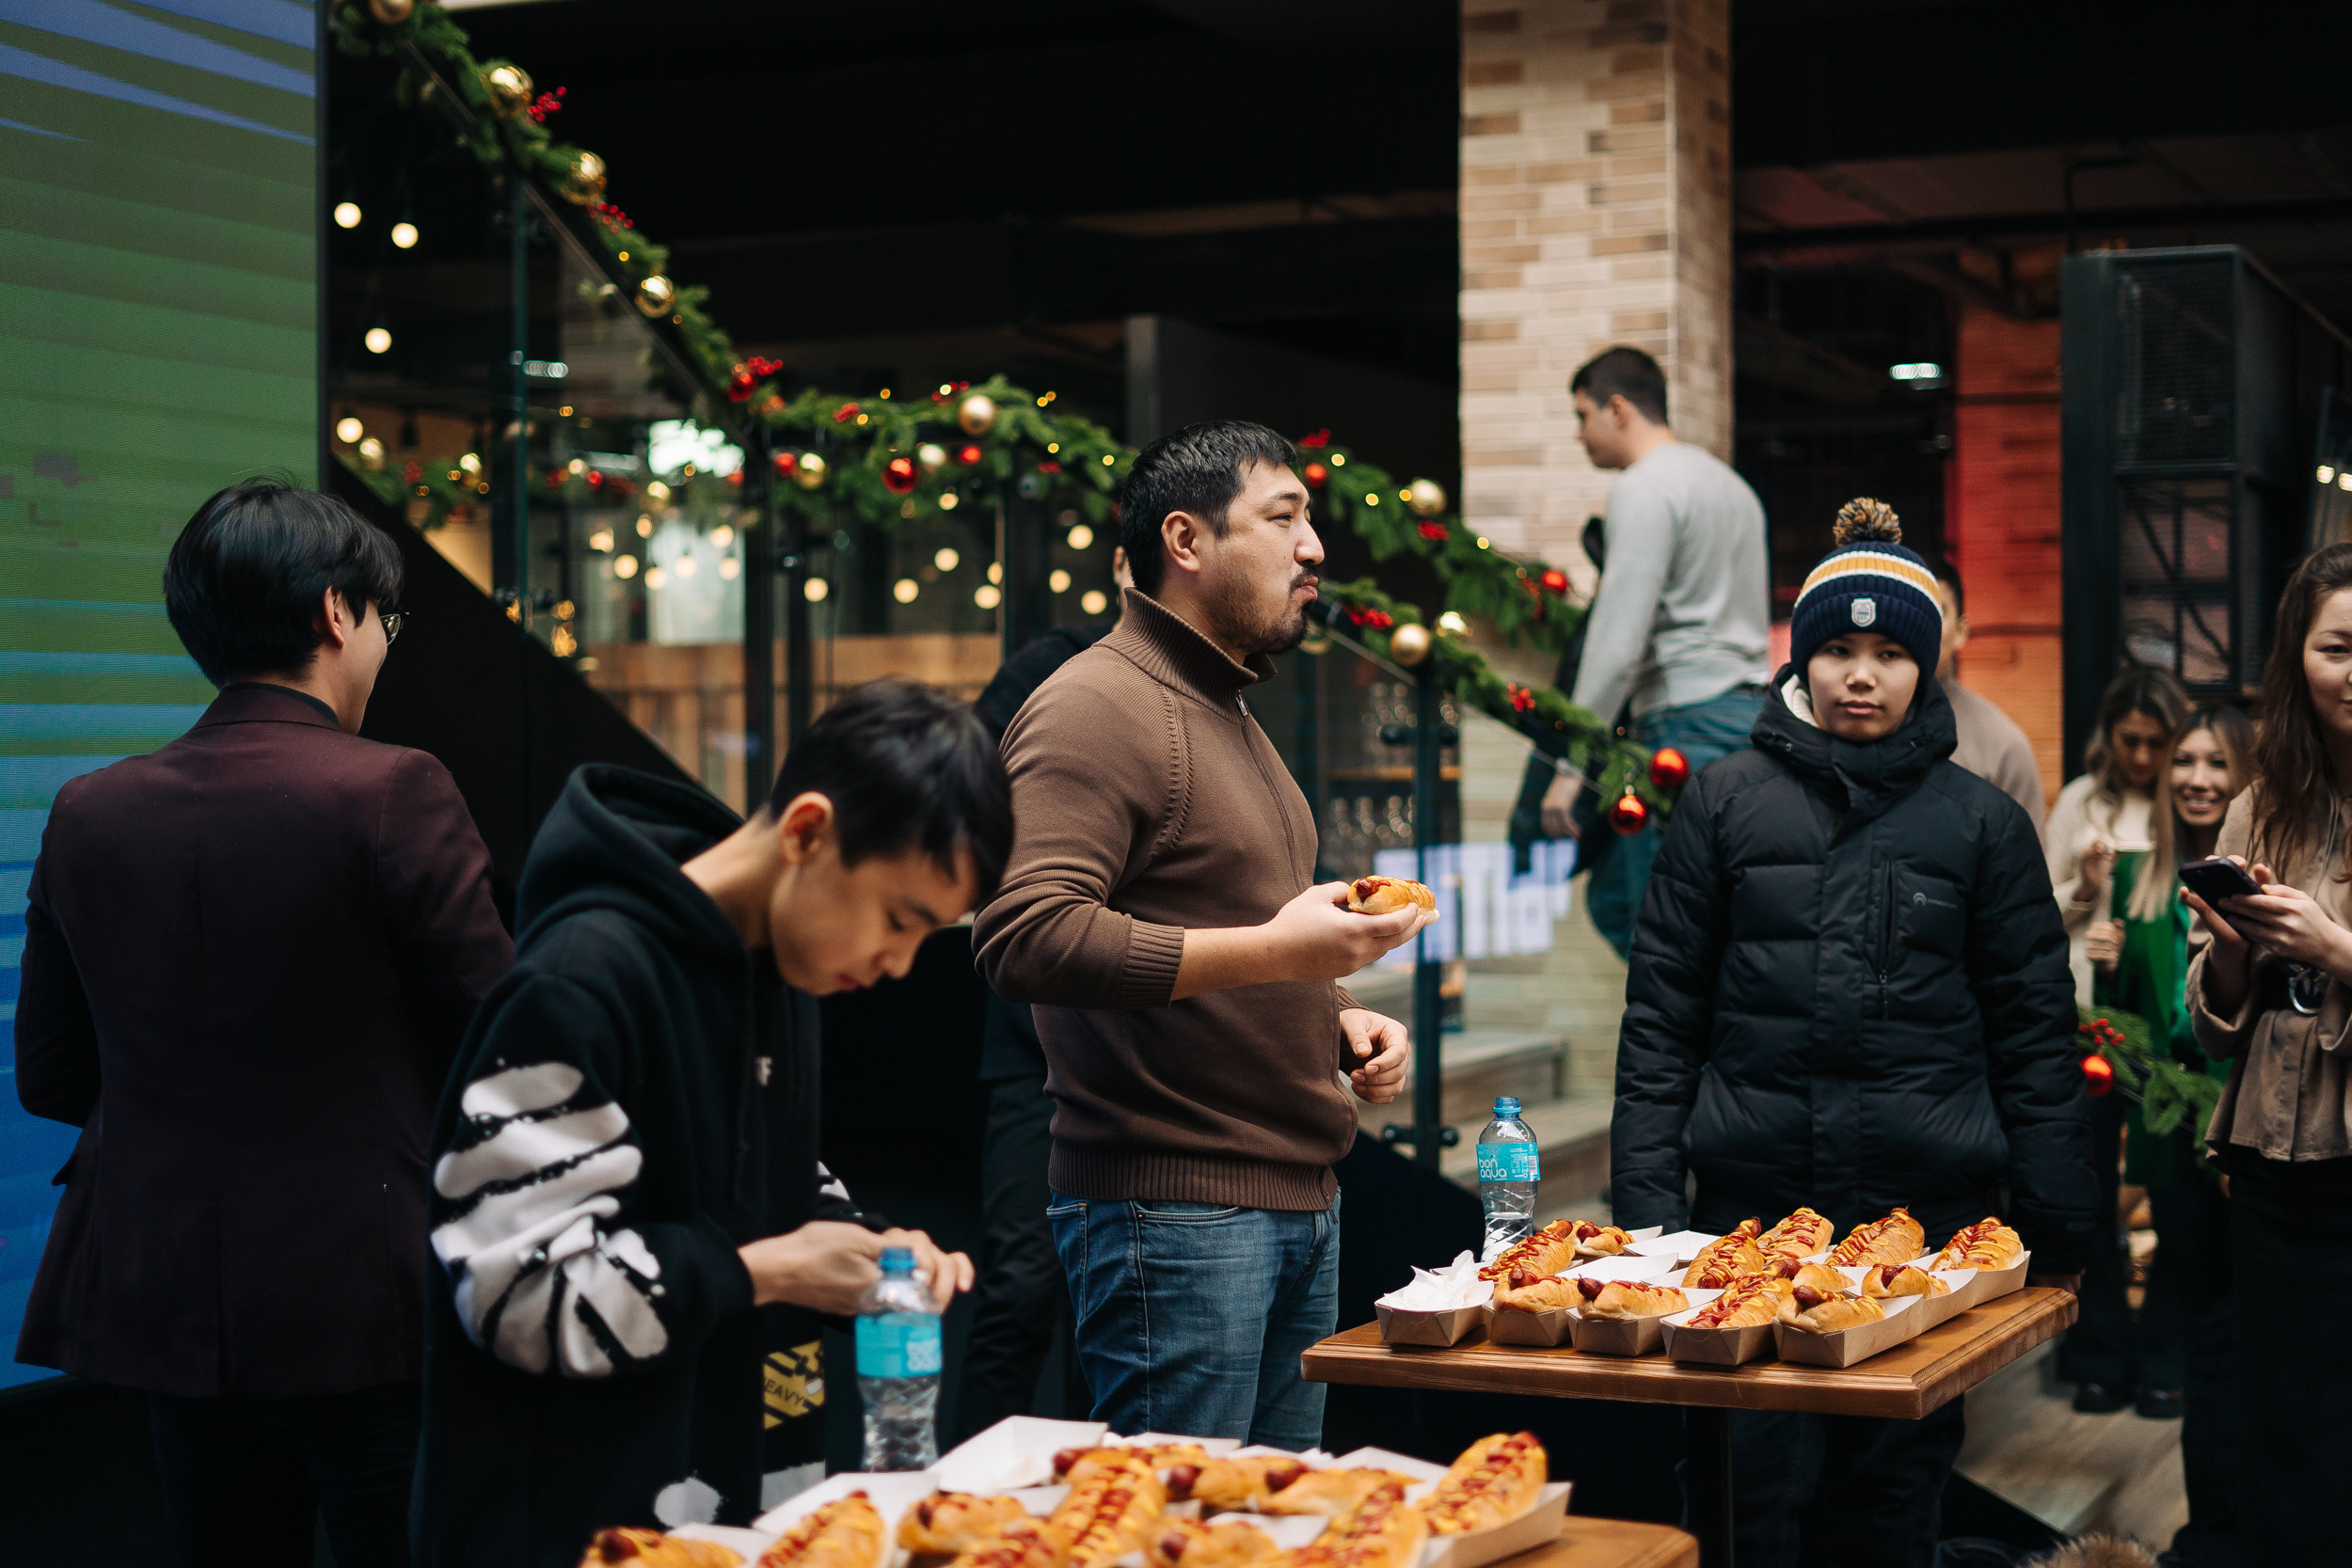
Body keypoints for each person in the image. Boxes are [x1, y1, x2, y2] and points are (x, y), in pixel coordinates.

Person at [13, 483, 513, 1568]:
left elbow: (51, 1075)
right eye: (388, 618)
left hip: (164, 1305)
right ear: (339, 612)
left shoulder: (89, 808)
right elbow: (506, 1043)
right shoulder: (394, 788)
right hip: (371, 1304)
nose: (385, 645)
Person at [413, 680, 1001, 1567]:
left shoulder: (779, 966)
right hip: (572, 1527)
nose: (898, 963)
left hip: (730, 1504)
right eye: (897, 920)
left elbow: (774, 1177)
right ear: (807, 831)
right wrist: (762, 1269)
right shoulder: (579, 983)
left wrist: (865, 1249)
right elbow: (517, 1296)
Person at [1611, 498, 2095, 1567]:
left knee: (1891, 1501)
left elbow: (2032, 1036)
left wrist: (2063, 1228)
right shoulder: (1722, 804)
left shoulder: (1983, 822)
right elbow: (1660, 1022)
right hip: (1745, 1231)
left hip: (1921, 1233)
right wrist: (1646, 1220)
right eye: (1836, 647)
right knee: (1745, 1496)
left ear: (1927, 668)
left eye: (1887, 652)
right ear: (1801, 658)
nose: (1859, 674)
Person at [974, 420, 1431, 1449]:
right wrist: (1282, 952)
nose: (1315, 547)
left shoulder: (1224, 707)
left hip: (1287, 1202)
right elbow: (1022, 936)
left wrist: (1339, 1013)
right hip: (1174, 1216)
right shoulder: (1097, 702)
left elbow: (1234, 925)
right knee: (1176, 1537)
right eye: (1284, 518)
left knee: (1263, 1534)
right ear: (1185, 541)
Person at [2182, 542, 2352, 1568]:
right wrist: (2239, 953)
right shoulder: (2258, 807)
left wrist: (2331, 944)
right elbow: (2212, 1023)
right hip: (2272, 1174)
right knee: (2282, 1434)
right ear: (2298, 657)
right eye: (2337, 645)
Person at [956, 546, 1131, 1441]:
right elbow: (973, 811)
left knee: (1110, 1296)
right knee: (1025, 1282)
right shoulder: (1047, 672)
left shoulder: (1212, 698)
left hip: (1138, 1051)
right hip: (1032, 1047)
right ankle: (947, 1480)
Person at [1536, 345, 1772, 958]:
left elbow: (1619, 639)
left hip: (1679, 726)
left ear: (1618, 410)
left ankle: (1692, 1052)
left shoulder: (1643, 488)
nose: (1579, 433)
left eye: (1582, 415)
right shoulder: (1733, 488)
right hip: (1750, 723)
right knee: (1645, 904)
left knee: (1658, 932)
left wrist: (1570, 768)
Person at [2084, 705, 2249, 1567]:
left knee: (2255, 1337)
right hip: (2172, 1134)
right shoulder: (2136, 877)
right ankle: (2210, 1528)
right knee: (2202, 1337)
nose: (2196, 776)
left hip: (2249, 1141)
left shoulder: (2265, 872)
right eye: (2184, 759)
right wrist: (2105, 971)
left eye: (2216, 762)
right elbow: (2123, 1032)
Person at [2048, 664, 2189, 1416]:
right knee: (2090, 1194)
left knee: (2176, 1194)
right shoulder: (2081, 802)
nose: (2142, 757)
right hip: (2088, 1030)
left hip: (2166, 1035)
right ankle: (2100, 1350)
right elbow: (2035, 919)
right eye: (2130, 741)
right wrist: (2085, 887)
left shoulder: (2195, 801)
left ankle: (2165, 1349)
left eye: (2156, 742)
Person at [1926, 555, 2047, 841]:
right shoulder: (1856, 722)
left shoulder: (2002, 746)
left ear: (1961, 631)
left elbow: (2027, 870)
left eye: (1936, 610)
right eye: (1911, 608)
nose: (1922, 623)